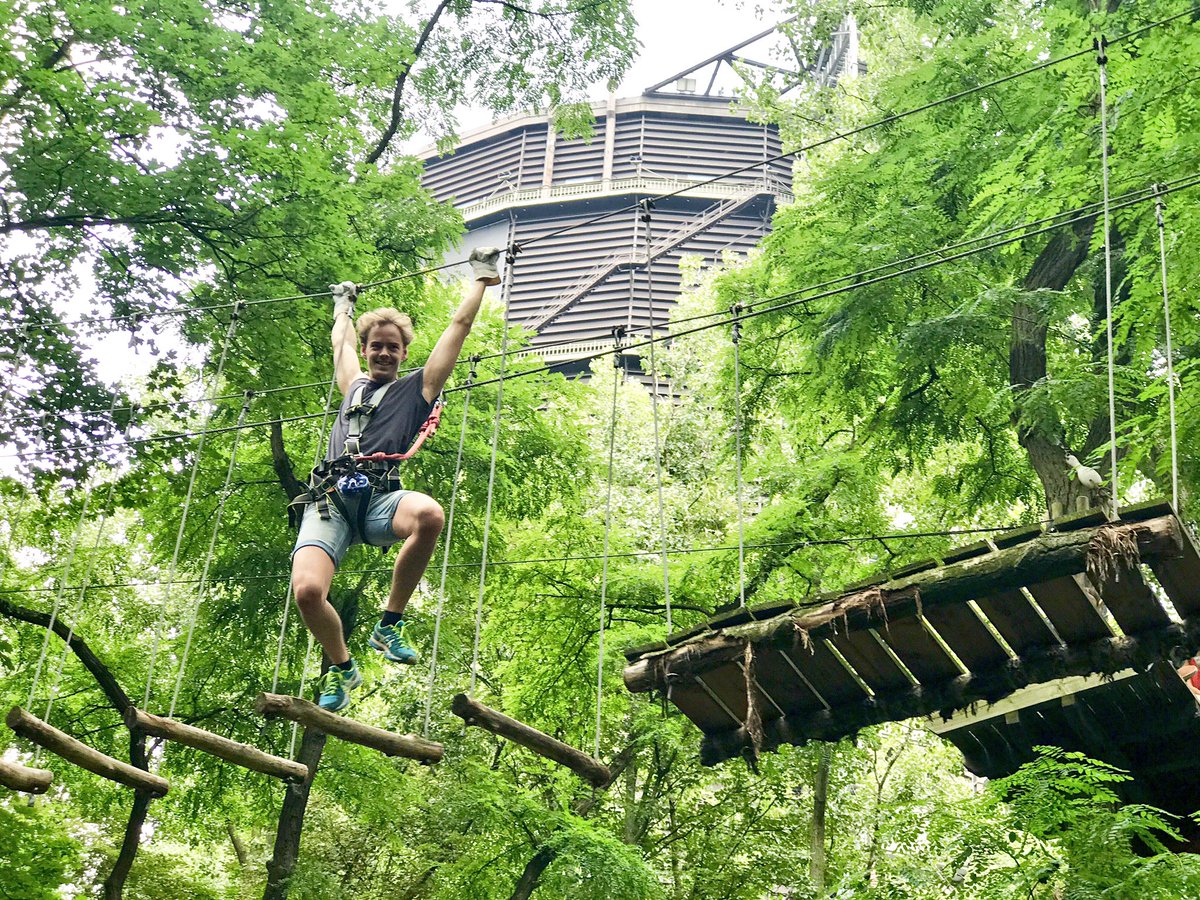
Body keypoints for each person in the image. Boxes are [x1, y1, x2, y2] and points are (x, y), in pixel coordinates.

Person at [290, 248, 502, 711]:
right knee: (307, 593)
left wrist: (481, 281)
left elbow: (458, 331)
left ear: (404, 354)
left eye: (393, 347)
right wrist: (342, 307)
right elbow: (338, 344)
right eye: (376, 346)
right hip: (329, 503)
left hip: (381, 497)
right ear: (367, 351)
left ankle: (389, 623)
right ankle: (342, 668)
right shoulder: (353, 387)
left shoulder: (419, 388)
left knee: (429, 514)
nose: (383, 352)